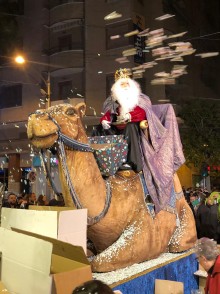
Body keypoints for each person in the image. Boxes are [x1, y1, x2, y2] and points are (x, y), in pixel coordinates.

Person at [98, 68, 185, 213]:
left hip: (136, 129)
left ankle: (131, 162)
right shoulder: (111, 101)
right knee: (99, 129)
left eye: (126, 83)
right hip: (115, 128)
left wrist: (130, 117)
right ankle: (103, 160)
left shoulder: (141, 98)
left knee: (131, 128)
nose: (124, 87)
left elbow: (144, 112)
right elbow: (108, 114)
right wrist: (104, 121)